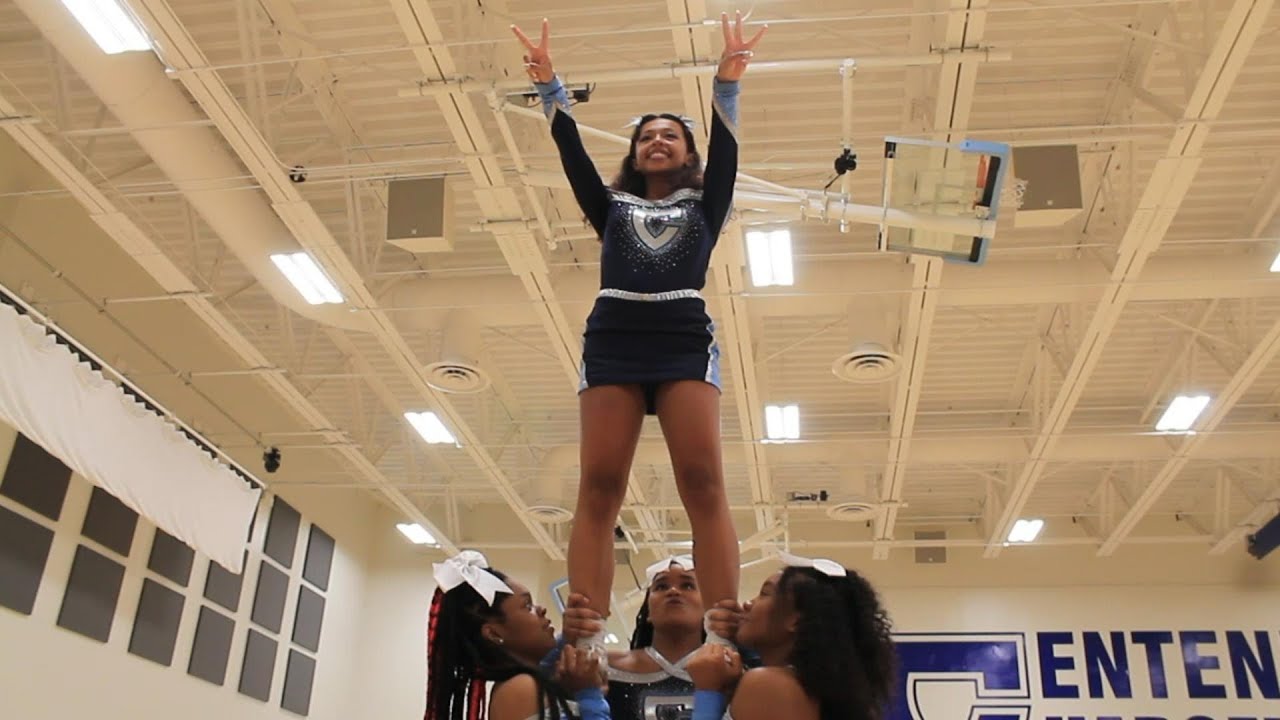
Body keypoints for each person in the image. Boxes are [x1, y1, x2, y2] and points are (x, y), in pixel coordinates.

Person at [510, 11, 767, 658]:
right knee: (599, 487)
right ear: (634, 153)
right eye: (648, 135)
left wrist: (727, 79)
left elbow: (728, 144)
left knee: (703, 480)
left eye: (672, 135)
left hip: (682, 334)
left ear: (689, 153)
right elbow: (571, 157)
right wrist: (551, 89)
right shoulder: (612, 206)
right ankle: (585, 639)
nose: (658, 141)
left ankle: (722, 636)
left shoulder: (708, 203)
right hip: (614, 338)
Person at [684, 553, 898, 720]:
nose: (748, 603)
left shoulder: (768, 684)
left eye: (765, 594)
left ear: (796, 620)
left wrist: (708, 692)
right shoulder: (806, 689)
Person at [425, 551, 613, 720]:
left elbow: (546, 667)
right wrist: (589, 695)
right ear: (494, 633)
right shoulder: (520, 689)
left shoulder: (520, 684)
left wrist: (568, 639)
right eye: (527, 606)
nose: (541, 610)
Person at [563, 556, 717, 719]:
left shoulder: (726, 667)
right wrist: (572, 638)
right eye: (661, 586)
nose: (673, 591)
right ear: (648, 611)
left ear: (707, 609)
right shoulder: (602, 666)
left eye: (687, 585)